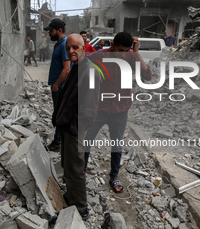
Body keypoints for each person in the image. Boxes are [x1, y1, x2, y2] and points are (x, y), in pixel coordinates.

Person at [84, 32, 152, 193]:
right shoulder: (99, 56)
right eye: (120, 50)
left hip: (121, 110)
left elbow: (147, 75)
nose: (122, 54)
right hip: (99, 109)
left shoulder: (130, 56)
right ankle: (81, 171)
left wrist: (136, 52)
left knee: (117, 144)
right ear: (112, 45)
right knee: (87, 140)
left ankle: (114, 176)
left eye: (125, 50)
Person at [52, 34, 101, 220]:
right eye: (68, 48)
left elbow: (89, 110)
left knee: (75, 169)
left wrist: (74, 127)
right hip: (68, 127)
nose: (71, 51)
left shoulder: (89, 72)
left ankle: (81, 208)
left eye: (75, 48)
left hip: (75, 129)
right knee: (68, 165)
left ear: (83, 48)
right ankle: (71, 196)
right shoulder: (77, 68)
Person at [44, 18, 71, 152]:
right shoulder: (59, 43)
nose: (50, 33)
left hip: (61, 88)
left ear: (59, 30)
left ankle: (58, 143)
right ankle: (59, 140)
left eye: (52, 31)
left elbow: (66, 69)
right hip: (58, 87)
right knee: (59, 114)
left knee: (59, 115)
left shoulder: (64, 44)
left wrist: (56, 85)